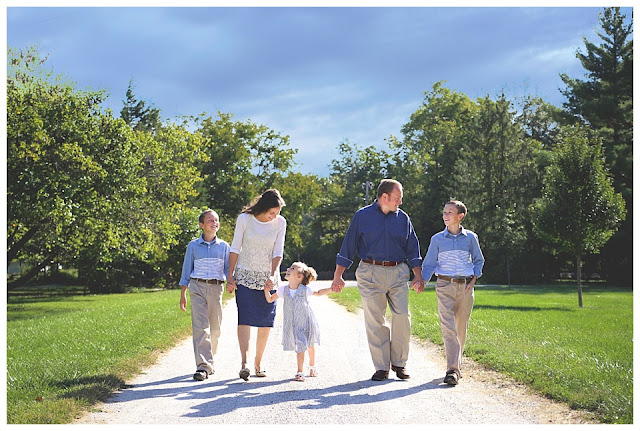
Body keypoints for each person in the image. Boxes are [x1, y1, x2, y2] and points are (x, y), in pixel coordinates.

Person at [331, 179, 425, 381]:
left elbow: (412, 248)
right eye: (397, 199)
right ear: (385, 197)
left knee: (402, 316)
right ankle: (382, 366)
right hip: (370, 271)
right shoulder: (362, 216)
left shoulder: (403, 218)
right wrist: (338, 276)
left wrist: (418, 275)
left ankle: (399, 363)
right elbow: (348, 246)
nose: (399, 203)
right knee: (375, 320)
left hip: (398, 271)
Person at [421, 200, 485, 386]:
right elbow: (430, 263)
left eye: (450, 212)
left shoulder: (471, 238)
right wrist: (422, 280)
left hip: (465, 287)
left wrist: (474, 279)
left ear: (460, 216)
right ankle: (452, 370)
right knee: (448, 327)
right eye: (444, 212)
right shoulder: (437, 239)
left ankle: (456, 365)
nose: (445, 215)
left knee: (460, 327)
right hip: (444, 285)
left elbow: (479, 260)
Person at [226, 189, 287, 381]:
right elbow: (236, 247)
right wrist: (230, 275)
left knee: (265, 321)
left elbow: (278, 252)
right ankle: (244, 364)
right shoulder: (245, 219)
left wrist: (271, 275)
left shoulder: (280, 223)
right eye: (272, 212)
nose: (275, 216)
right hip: (244, 275)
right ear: (263, 207)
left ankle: (258, 363)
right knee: (244, 318)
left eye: (277, 213)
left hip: (267, 279)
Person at [179, 209, 230, 381]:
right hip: (197, 287)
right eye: (210, 220)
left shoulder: (224, 246)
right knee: (201, 327)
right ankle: (203, 366)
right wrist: (183, 293)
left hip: (216, 289)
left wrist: (231, 282)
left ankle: (210, 360)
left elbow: (228, 269)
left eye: (216, 220)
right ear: (202, 225)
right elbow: (187, 270)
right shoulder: (193, 246)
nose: (214, 223)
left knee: (215, 329)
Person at [264, 261, 332, 382]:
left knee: (309, 345)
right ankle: (301, 371)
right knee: (301, 345)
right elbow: (270, 299)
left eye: (293, 268)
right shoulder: (282, 290)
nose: (288, 269)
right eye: (290, 267)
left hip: (306, 321)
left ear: (299, 276)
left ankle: (311, 367)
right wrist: (266, 290)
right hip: (293, 324)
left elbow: (318, 293)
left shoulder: (304, 289)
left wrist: (332, 289)